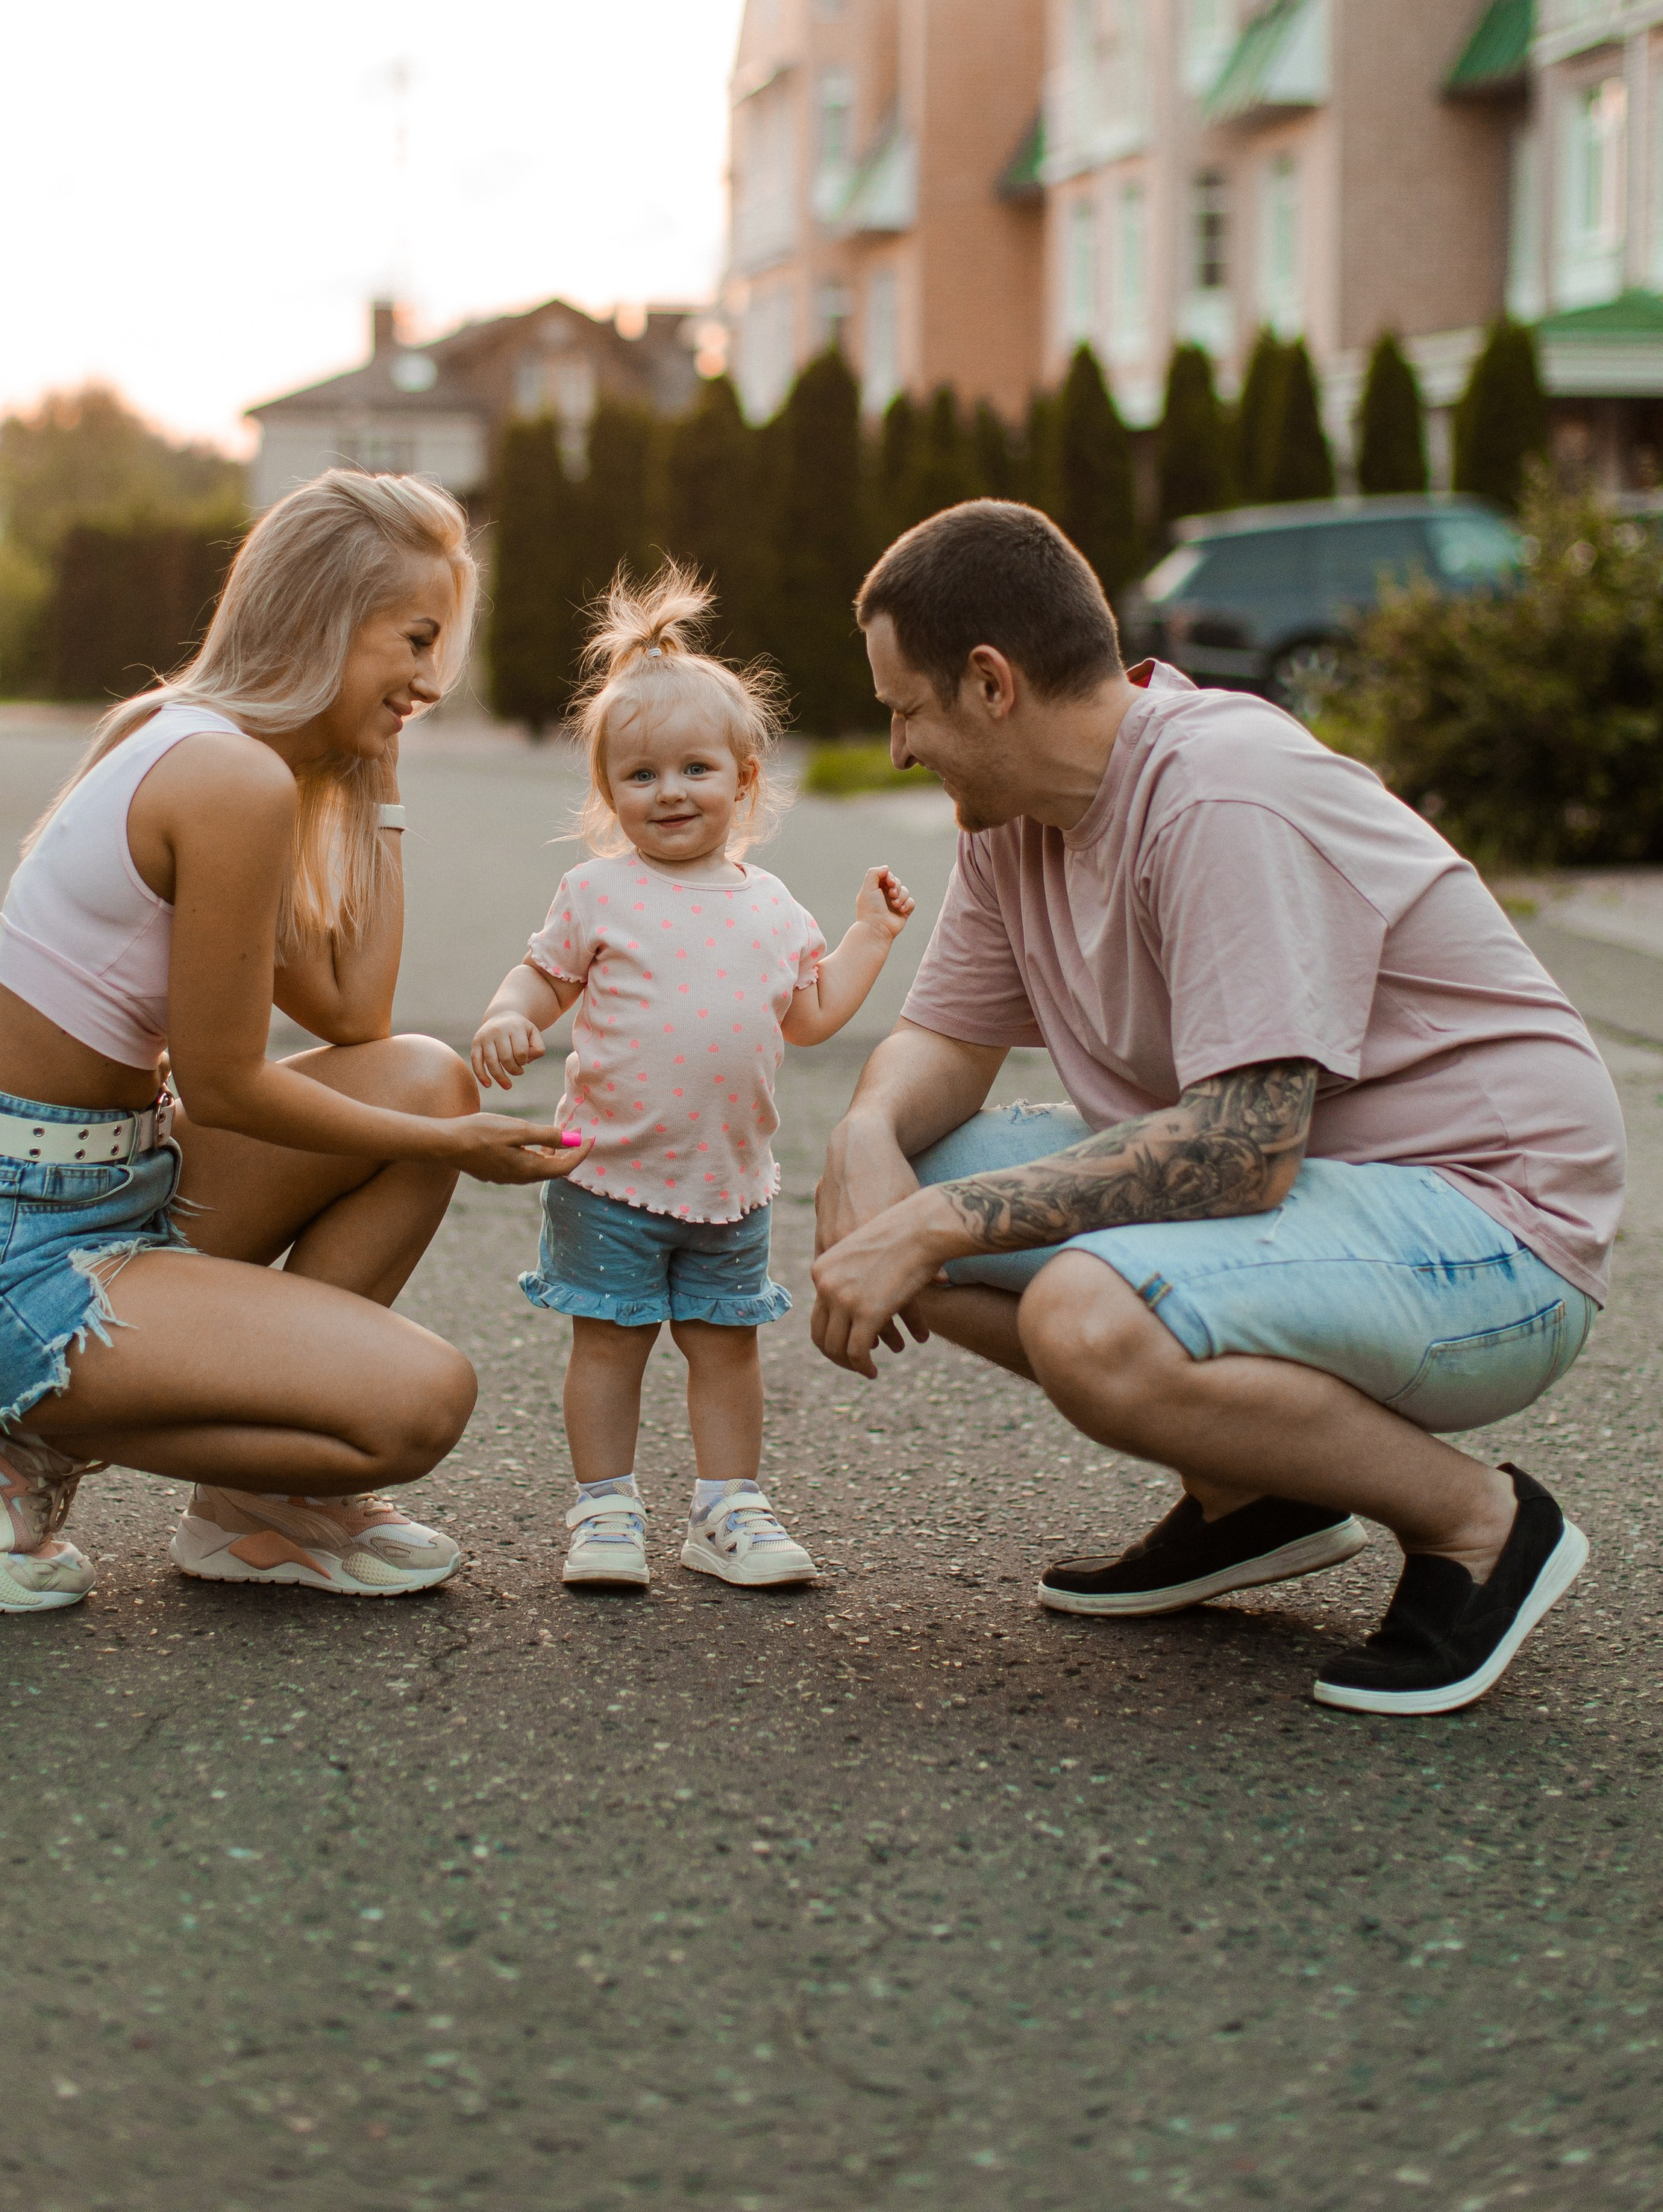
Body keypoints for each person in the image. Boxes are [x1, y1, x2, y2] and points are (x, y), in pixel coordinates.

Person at [809, 501, 1624, 1717]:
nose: (896, 750)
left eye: (905, 709)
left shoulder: (1220, 792)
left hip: (1493, 1237)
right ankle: (1261, 1494)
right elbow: (945, 1042)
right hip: (1326, 1211)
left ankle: (1482, 1526)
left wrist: (932, 1227)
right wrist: (865, 1141)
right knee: (892, 1188)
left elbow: (1243, 1150)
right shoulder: (1017, 820)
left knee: (1083, 1314)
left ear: (990, 684)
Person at [0, 469, 579, 1616]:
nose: (432, 680)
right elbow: (228, 1084)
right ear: (324, 619)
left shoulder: (209, 748)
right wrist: (457, 1150)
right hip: (3, 1261)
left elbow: (353, 1013)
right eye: (415, 641)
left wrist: (380, 774)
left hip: (114, 1190)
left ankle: (256, 1509)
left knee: (427, 1077)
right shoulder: (223, 778)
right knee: (420, 1405)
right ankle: (3, 1442)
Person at [471, 566, 914, 1590]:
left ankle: (726, 1509)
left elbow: (811, 1016)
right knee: (608, 1349)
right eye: (641, 776)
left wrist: (869, 937)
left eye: (696, 769)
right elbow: (544, 977)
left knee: (726, 1350)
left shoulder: (774, 907)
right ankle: (604, 1510)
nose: (670, 792)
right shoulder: (597, 892)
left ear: (745, 778)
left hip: (728, 1184)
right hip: (608, 1178)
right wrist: (507, 1015)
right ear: (608, 792)